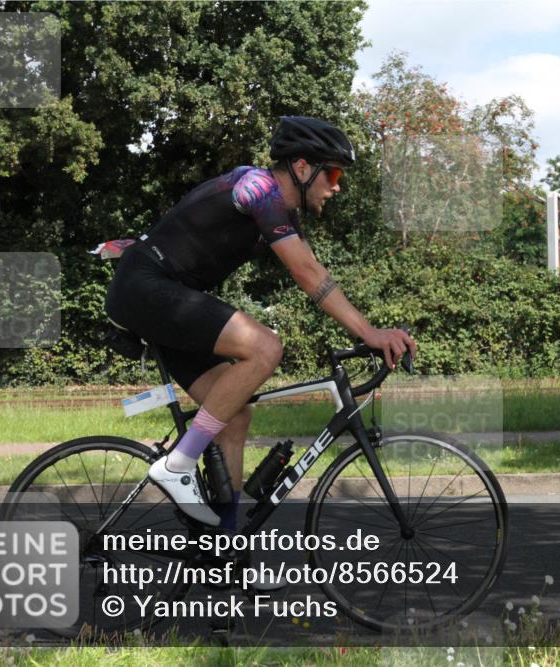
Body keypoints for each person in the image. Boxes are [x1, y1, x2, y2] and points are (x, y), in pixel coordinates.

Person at [105, 116, 416, 528]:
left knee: (233, 417)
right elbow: (307, 274)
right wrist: (370, 334)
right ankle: (178, 464)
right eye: (334, 173)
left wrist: (369, 331)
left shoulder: (280, 210)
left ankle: (228, 550)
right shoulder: (259, 189)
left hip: (164, 296)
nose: (337, 186)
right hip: (146, 286)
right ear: (302, 168)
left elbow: (315, 273)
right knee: (265, 346)